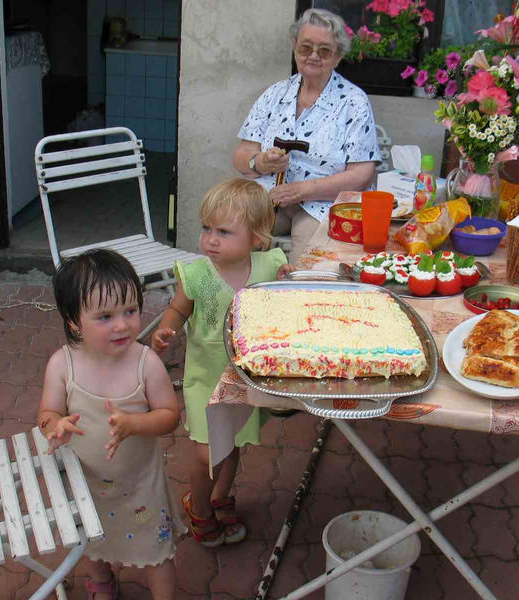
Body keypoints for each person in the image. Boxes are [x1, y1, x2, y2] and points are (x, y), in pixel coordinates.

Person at [151, 177, 295, 547]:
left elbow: (285, 297)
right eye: (206, 229)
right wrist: (166, 331)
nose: (211, 239)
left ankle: (219, 498)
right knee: (207, 452)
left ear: (257, 238)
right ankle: (198, 506)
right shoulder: (197, 274)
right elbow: (176, 309)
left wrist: (288, 282)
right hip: (205, 381)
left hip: (245, 379)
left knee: (231, 447)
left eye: (224, 232)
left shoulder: (269, 265)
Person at [38, 249, 185, 600]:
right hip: (87, 481)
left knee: (157, 553)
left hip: (140, 486)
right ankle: (102, 581)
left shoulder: (145, 363)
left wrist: (135, 423)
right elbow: (46, 413)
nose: (122, 324)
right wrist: (55, 425)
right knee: (94, 538)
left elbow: (170, 416)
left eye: (130, 311)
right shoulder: (62, 365)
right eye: (105, 316)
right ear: (74, 321)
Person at [233, 7, 381, 262]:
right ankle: (237, 297)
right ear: (295, 48)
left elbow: (362, 174)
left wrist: (303, 190)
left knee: (307, 264)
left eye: (324, 50)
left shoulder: (353, 101)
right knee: (230, 232)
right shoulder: (275, 94)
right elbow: (242, 155)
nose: (313, 56)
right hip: (271, 196)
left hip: (323, 204)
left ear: (337, 57)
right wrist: (260, 162)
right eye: (306, 48)